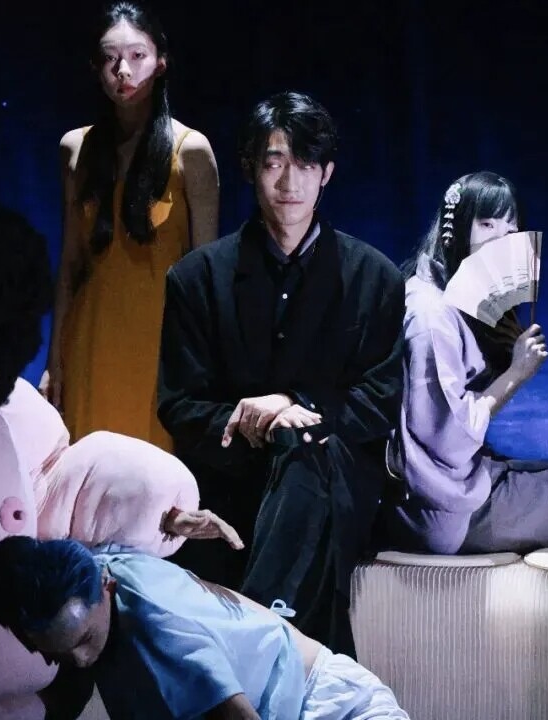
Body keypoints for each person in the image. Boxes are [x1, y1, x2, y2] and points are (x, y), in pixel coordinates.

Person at [157, 91, 405, 655]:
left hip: (336, 473)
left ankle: (252, 647)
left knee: (303, 450)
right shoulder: (196, 278)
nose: (289, 181)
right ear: (250, 168)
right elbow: (179, 404)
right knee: (288, 458)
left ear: (327, 174)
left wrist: (293, 406)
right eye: (274, 163)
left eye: (305, 164)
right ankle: (287, 651)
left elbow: (379, 401)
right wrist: (253, 425)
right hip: (233, 473)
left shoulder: (375, 278)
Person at [0, 535, 410, 719]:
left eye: (83, 640)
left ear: (107, 587)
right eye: (54, 654)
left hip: (333, 707)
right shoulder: (91, 564)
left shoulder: (163, 634)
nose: (77, 660)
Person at [41, 1, 220, 451]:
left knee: (154, 478)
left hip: (161, 346)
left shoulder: (191, 150)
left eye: (137, 55)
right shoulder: (75, 148)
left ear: (161, 61)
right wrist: (54, 360)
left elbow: (207, 277)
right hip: (91, 340)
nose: (123, 70)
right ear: (95, 67)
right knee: (90, 474)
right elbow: (70, 264)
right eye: (110, 58)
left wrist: (204, 370)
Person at [379, 171, 548, 555]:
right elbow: (448, 441)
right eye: (487, 224)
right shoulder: (430, 316)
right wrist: (515, 374)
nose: (502, 240)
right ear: (454, 231)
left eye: (510, 229)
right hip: (444, 510)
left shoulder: (442, 295)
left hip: (453, 488)